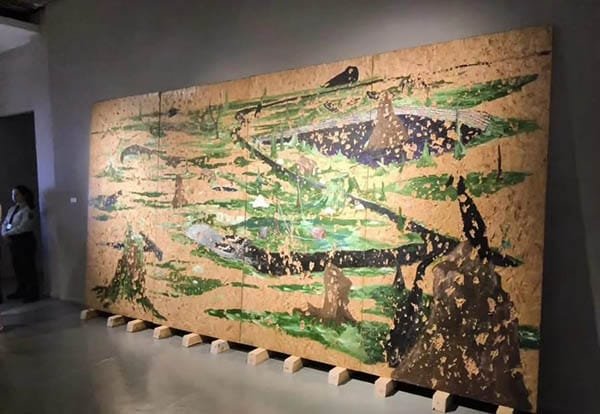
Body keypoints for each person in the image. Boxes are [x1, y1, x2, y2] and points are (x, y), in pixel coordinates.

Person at [1, 185, 39, 303]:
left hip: (24, 240)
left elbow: (24, 227)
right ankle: (21, 289)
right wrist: (4, 233)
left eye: (16, 194)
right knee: (17, 266)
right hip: (13, 241)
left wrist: (8, 233)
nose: (14, 196)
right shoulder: (12, 209)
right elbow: (6, 223)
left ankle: (32, 292)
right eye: (13, 194)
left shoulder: (28, 210)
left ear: (24, 195)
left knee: (27, 266)